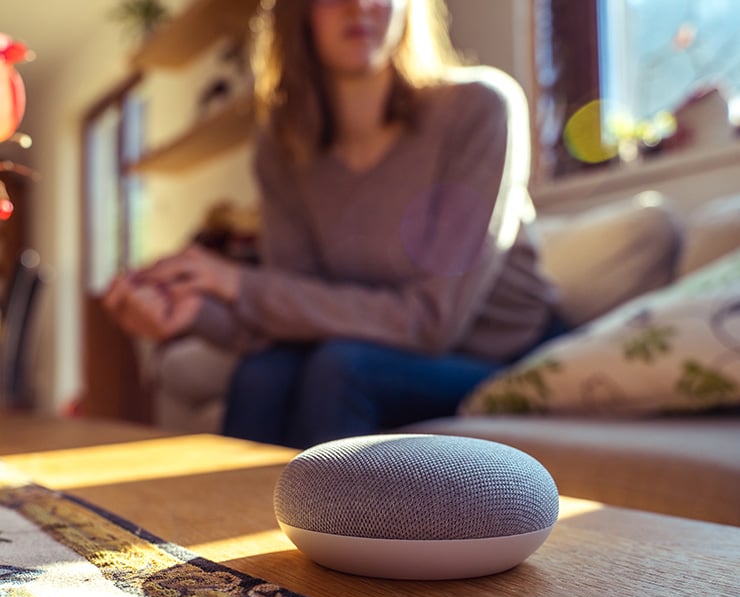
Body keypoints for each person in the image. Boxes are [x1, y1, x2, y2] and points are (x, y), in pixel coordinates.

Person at [104, 0, 566, 449]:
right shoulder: (283, 147)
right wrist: (194, 313)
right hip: (370, 345)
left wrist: (239, 284)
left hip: (499, 354)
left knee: (340, 366)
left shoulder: (480, 107)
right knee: (264, 371)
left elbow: (433, 321)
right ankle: (215, 524)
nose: (360, 5)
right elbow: (296, 308)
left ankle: (323, 527)